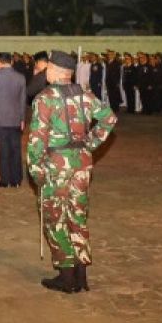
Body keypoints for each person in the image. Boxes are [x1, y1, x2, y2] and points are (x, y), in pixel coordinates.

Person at [27, 50, 117, 293]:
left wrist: (35, 171)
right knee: (77, 215)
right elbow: (109, 118)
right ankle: (81, 274)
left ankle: (66, 276)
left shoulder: (45, 98)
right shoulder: (85, 94)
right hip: (82, 163)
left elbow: (36, 140)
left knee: (55, 218)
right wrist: (90, 144)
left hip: (56, 165)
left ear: (54, 71)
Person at [0, 51, 26, 188]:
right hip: (15, 119)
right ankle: (16, 180)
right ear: (11, 62)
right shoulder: (20, 77)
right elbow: (22, 100)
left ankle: (5, 180)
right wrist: (22, 119)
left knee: (3, 150)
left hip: (0, 118)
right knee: (15, 150)